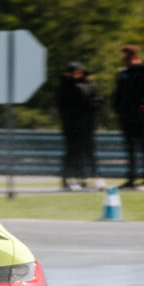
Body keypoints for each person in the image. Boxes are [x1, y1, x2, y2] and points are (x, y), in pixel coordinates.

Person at [112, 44, 144, 188]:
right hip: (126, 115)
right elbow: (118, 94)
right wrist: (117, 109)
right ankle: (131, 178)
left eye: (125, 58)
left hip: (140, 114)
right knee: (130, 148)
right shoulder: (124, 73)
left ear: (133, 57)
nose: (123, 61)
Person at [57, 62, 102, 191]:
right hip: (72, 126)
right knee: (72, 153)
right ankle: (69, 179)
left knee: (89, 153)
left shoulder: (89, 85)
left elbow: (96, 102)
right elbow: (67, 106)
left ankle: (87, 179)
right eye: (75, 72)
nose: (78, 75)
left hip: (87, 126)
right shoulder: (66, 87)